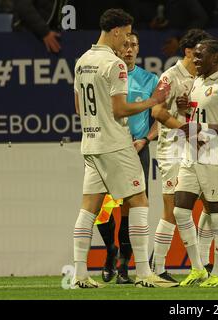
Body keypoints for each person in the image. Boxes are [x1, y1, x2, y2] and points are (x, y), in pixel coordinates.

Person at [72, 8, 175, 289]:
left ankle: (80, 274)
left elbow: (79, 107)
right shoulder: (114, 65)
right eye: (126, 35)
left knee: (89, 208)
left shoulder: (82, 61)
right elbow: (120, 109)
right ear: (116, 31)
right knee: (139, 201)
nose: (127, 42)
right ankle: (144, 273)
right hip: (116, 144)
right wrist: (153, 101)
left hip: (90, 143)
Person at [172, 38, 218, 287]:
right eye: (194, 56)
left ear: (215, 57)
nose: (195, 59)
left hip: (215, 158)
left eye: (201, 56)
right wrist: (183, 109)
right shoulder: (196, 83)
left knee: (217, 215)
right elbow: (191, 118)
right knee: (180, 210)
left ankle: (217, 274)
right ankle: (198, 268)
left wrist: (196, 126)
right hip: (191, 155)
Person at [96, 31, 162, 285]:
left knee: (130, 208)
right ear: (116, 47)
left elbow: (159, 118)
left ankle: (124, 263)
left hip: (137, 148)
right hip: (109, 146)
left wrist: (145, 139)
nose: (129, 49)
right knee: (103, 207)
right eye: (125, 44)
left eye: (134, 44)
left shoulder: (148, 79)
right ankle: (109, 251)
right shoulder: (106, 74)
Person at [150, 29, 211, 286]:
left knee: (211, 204)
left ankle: (205, 265)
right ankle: (158, 266)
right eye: (199, 51)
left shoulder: (204, 78)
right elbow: (156, 111)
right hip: (173, 149)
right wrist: (185, 127)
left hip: (198, 148)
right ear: (187, 51)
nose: (203, 56)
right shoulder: (169, 77)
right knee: (173, 209)